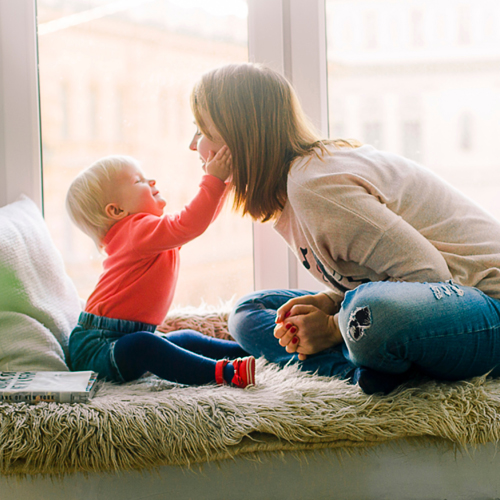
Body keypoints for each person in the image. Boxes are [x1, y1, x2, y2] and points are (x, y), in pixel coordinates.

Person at [188, 62, 500, 395]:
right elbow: (385, 279)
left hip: (483, 302)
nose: (194, 145)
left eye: (203, 131)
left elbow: (431, 276)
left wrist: (334, 326)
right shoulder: (294, 190)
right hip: (434, 303)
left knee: (371, 316)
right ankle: (363, 370)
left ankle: (358, 353)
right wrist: (331, 301)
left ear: (242, 136)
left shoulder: (314, 185)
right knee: (248, 313)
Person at [65, 151, 255, 388]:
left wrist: (224, 184)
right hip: (98, 347)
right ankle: (224, 373)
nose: (151, 181)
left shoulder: (146, 234)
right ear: (116, 211)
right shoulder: (136, 232)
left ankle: (252, 351)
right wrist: (214, 180)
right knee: (144, 345)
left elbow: (197, 223)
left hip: (123, 337)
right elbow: (190, 223)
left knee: (184, 338)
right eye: (138, 181)